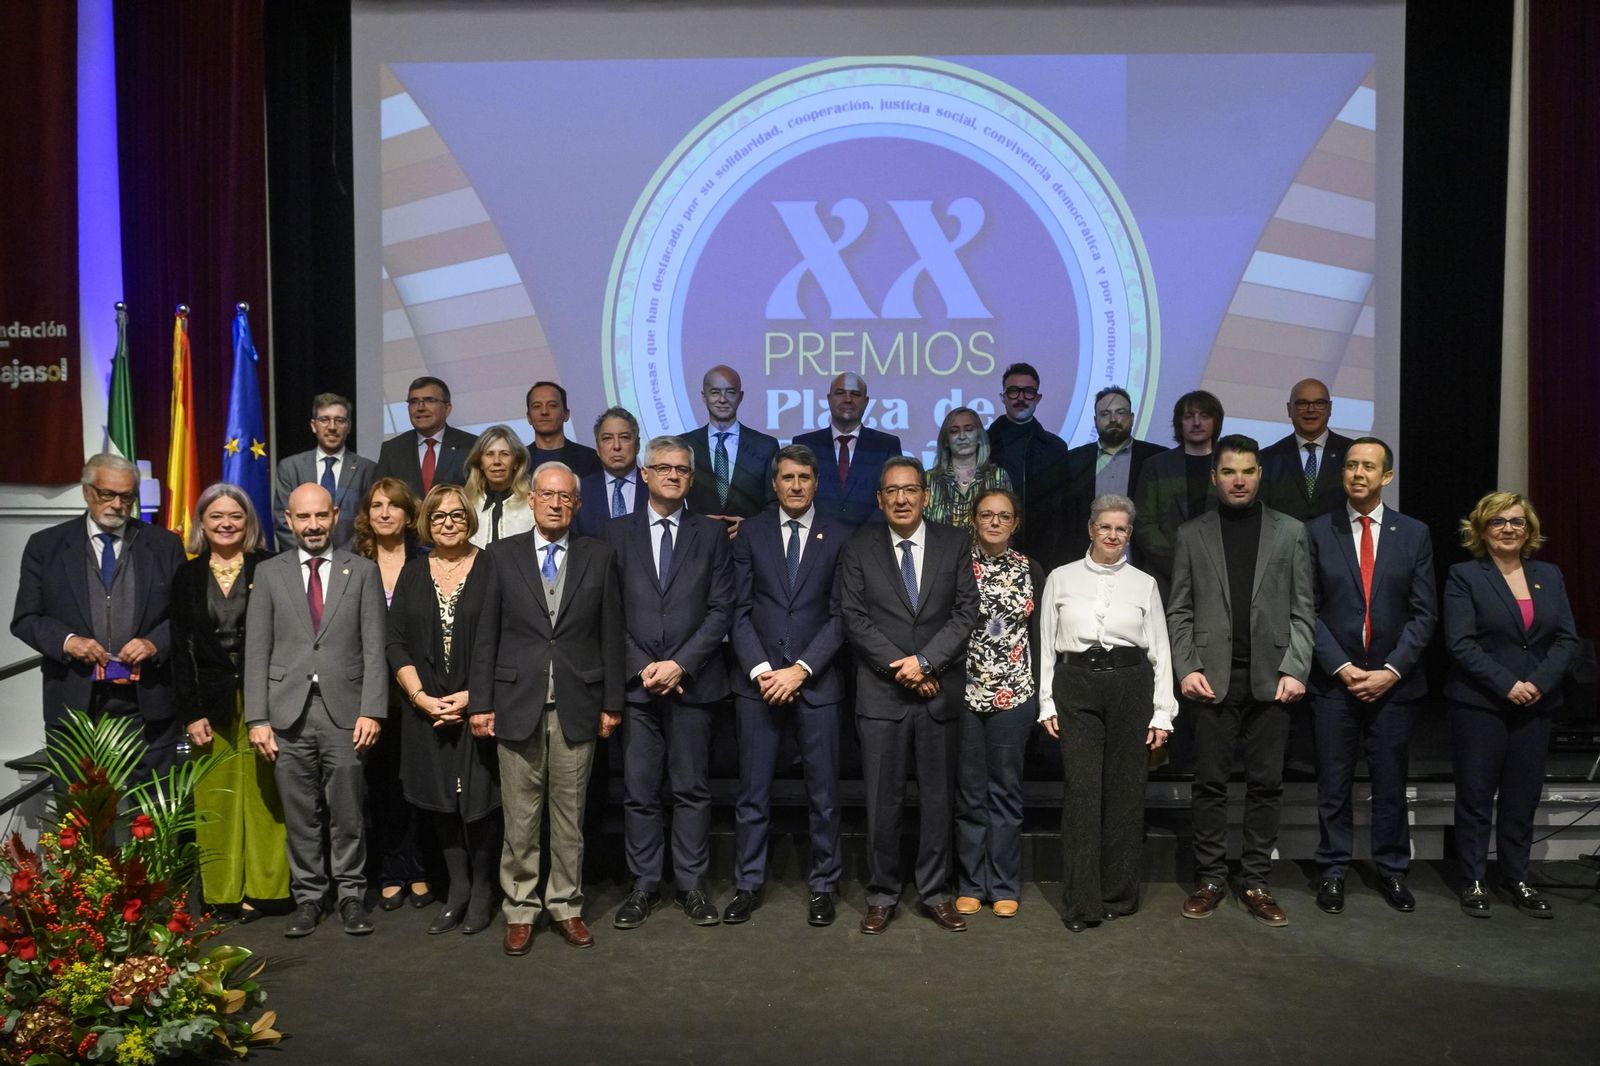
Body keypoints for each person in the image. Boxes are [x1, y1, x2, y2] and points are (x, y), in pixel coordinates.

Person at [470, 462, 625, 955]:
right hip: (516, 705)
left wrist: (612, 703)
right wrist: (481, 703)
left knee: (569, 818)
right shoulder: (501, 555)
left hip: (578, 705)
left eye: (565, 497)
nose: (556, 504)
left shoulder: (599, 556)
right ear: (532, 499)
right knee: (519, 820)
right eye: (547, 495)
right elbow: (486, 634)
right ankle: (520, 909)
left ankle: (565, 906)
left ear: (576, 504)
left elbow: (611, 634)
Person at [1166, 435, 1313, 927]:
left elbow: (1304, 610)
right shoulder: (1192, 533)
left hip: (1273, 679)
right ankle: (1210, 878)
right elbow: (1179, 609)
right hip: (1212, 679)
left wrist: (1295, 667)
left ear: (1260, 475)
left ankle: (1255, 881)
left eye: (1248, 471)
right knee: (1209, 783)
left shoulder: (1291, 532)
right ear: (1215, 477)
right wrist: (1187, 667)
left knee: (1266, 784)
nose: (1239, 480)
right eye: (1229, 471)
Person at [839, 457, 980, 935]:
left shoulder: (954, 542)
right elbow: (854, 618)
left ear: (925, 495)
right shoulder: (858, 547)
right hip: (882, 697)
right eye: (892, 491)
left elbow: (965, 612)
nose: (901, 499)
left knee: (938, 802)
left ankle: (936, 893)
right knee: (883, 803)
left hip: (938, 695)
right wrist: (906, 668)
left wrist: (926, 662)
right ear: (879, 499)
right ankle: (882, 894)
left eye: (910, 490)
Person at [243, 483, 387, 938]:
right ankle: (308, 898)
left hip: (347, 712)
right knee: (300, 814)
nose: (313, 525)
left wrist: (373, 710)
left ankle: (350, 896)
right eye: (303, 517)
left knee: (348, 813)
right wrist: (257, 718)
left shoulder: (362, 571)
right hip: (287, 714)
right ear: (288, 520)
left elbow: (375, 648)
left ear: (335, 515)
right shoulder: (269, 573)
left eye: (321, 515)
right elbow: (256, 650)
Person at [603, 436, 736, 929]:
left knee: (691, 790)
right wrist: (644, 666)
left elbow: (722, 609)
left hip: (693, 684)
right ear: (644, 473)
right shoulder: (615, 533)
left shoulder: (711, 534)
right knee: (639, 791)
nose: (673, 475)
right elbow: (609, 610)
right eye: (663, 468)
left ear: (692, 478)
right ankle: (643, 884)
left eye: (682, 469)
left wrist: (680, 664)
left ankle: (691, 884)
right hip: (637, 688)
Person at [1305, 438, 1436, 915]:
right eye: (1351, 465)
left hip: (1393, 684)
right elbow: (1307, 609)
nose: (1358, 473)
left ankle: (1392, 869)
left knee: (1390, 782)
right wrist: (1342, 667)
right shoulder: (1317, 531)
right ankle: (1333, 868)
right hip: (1334, 683)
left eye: (1369, 467)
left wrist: (1391, 670)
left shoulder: (1414, 533)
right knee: (1333, 782)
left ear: (1387, 477)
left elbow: (1424, 613)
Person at [1038, 494, 1176, 931]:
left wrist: (1162, 712)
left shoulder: (1144, 583)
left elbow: (1160, 651)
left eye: (1121, 529)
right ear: (1091, 529)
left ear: (1129, 534)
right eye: (1105, 527)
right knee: (1082, 792)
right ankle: (1082, 902)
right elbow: (1046, 645)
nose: (1113, 535)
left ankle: (1118, 894)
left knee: (1125, 792)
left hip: (1130, 686)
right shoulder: (1060, 577)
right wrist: (1046, 702)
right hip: (1076, 684)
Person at [727, 444, 848, 926]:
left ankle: (823, 886)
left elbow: (841, 616)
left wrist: (801, 669)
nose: (796, 486)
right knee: (752, 794)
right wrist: (762, 670)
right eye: (787, 477)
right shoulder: (750, 532)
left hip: (816, 683)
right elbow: (736, 611)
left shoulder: (839, 534)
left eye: (804, 477)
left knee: (824, 796)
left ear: (816, 482)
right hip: (758, 685)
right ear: (774, 483)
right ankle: (747, 884)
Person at [1444, 492, 1578, 919]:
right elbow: (1460, 642)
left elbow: (1567, 639)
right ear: (1482, 530)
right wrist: (1508, 685)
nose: (1508, 529)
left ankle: (1517, 877)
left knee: (1523, 798)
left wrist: (1537, 684)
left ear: (1529, 530)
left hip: (1535, 705)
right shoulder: (1465, 576)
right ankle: (1474, 879)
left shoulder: (1549, 575)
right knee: (1475, 795)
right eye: (1498, 521)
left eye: (1517, 522)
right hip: (1480, 704)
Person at [12, 453, 186, 775]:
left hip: (147, 704)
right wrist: (68, 642)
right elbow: (26, 618)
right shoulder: (46, 546)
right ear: (87, 491)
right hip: (75, 704)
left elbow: (185, 616)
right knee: (81, 805)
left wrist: (154, 644)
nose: (117, 504)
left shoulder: (164, 545)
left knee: (151, 805)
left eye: (126, 497)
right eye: (107, 494)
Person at [170, 483, 288, 919]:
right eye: (216, 516)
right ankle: (221, 893)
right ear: (202, 522)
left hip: (267, 699)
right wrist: (191, 712)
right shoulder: (187, 575)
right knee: (215, 798)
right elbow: (180, 648)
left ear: (248, 522)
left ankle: (268, 890)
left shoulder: (270, 567)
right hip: (210, 704)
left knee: (266, 794)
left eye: (235, 516)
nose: (226, 524)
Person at [387, 485, 500, 935]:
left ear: (469, 519)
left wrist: (473, 697)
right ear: (426, 523)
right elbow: (395, 642)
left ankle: (484, 889)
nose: (448, 523)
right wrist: (420, 697)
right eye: (438, 516)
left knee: (479, 801)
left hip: (480, 706)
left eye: (456, 515)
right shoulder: (413, 572)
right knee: (440, 800)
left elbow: (505, 638)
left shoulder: (491, 567)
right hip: (426, 708)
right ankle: (458, 888)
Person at [952, 488, 1041, 921]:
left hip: (1014, 694)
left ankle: (1003, 885)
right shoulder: (956, 565)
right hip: (966, 694)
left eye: (1003, 516)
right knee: (970, 793)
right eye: (986, 515)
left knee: (1005, 792)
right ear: (974, 519)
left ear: (1015, 523)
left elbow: (1040, 633)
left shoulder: (1031, 568)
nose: (994, 522)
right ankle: (971, 884)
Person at [353, 478, 434, 913]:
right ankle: (390, 870)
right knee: (381, 785)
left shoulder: (427, 560)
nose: (385, 513)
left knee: (417, 784)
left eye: (394, 506)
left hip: (418, 690)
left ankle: (420, 868)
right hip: (371, 694)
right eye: (377, 506)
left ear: (409, 514)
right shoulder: (353, 563)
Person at [1133, 389, 1224, 600]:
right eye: (1189, 416)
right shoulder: (1156, 465)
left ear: (1216, 421)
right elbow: (1144, 523)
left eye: (1204, 416)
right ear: (1179, 423)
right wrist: (1179, 565)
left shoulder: (1229, 464)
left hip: (1220, 576)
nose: (1197, 423)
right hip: (1166, 577)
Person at [1055, 386, 1164, 563]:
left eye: (1120, 412)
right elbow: (1066, 521)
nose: (1113, 419)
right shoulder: (1074, 460)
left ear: (1132, 417)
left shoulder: (1155, 458)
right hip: (1084, 563)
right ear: (1095, 420)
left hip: (1142, 564)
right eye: (1105, 414)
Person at [794, 372, 904, 529]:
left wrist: (865, 536)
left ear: (866, 401)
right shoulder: (805, 444)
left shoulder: (887, 445)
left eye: (855, 394)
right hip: (816, 537)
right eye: (840, 393)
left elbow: (893, 496)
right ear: (829, 399)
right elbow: (797, 495)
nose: (847, 399)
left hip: (871, 537)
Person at [986, 362, 1071, 564]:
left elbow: (1065, 507)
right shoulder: (985, 445)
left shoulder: (1055, 448)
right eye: (1013, 391)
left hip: (1044, 553)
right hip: (991, 548)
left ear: (1038, 398)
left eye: (1028, 392)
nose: (1021, 398)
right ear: (1003, 397)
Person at [684, 365, 779, 537]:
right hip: (696, 543)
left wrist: (751, 527)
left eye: (730, 392)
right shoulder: (684, 444)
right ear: (704, 397)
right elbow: (671, 497)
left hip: (750, 544)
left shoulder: (766, 446)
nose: (722, 399)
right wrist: (694, 524)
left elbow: (775, 502)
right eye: (715, 392)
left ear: (740, 397)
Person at [273, 392, 376, 550]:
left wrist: (340, 559)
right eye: (324, 420)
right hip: (301, 560)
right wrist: (309, 555)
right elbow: (282, 520)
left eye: (339, 420)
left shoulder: (367, 470)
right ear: (313, 425)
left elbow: (369, 522)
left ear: (348, 427)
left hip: (353, 560)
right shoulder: (290, 468)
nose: (332, 427)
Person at [1260, 378, 1355, 523]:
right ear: (1289, 409)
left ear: (1330, 408)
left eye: (1319, 403)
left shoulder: (1352, 452)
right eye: (1302, 403)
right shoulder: (1268, 458)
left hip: (1340, 536)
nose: (1311, 409)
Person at [375, 375, 478, 498]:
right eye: (414, 402)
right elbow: (379, 496)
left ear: (447, 408)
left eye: (429, 400)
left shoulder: (472, 446)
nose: (420, 408)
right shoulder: (392, 450)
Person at [922, 406, 1012, 529]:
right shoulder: (929, 479)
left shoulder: (998, 476)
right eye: (954, 431)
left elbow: (1006, 523)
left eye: (969, 430)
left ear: (979, 438)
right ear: (946, 441)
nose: (962, 436)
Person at [577, 406, 648, 536]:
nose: (616, 446)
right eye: (607, 438)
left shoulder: (653, 487)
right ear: (597, 447)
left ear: (637, 445)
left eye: (624, 437)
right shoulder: (581, 490)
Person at [462, 424, 535, 547]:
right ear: (480, 463)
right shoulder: (466, 503)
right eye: (489, 454)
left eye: (504, 454)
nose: (496, 461)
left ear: (516, 462)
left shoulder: (532, 503)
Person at [525, 381, 602, 478]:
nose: (544, 412)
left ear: (566, 414)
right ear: (529, 417)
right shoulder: (518, 459)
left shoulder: (590, 458)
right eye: (536, 406)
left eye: (552, 405)